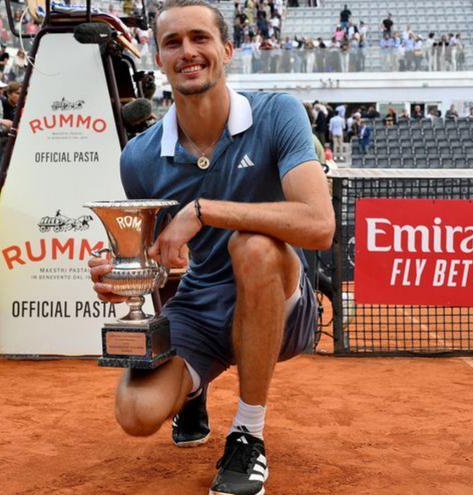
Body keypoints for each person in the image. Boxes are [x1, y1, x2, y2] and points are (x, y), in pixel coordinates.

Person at [87, 2, 333, 495]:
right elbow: (160, 258)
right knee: (136, 414)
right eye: (173, 42)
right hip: (201, 303)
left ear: (226, 49)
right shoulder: (138, 156)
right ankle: (193, 390)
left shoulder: (277, 112)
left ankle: (247, 434)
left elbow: (319, 224)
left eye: (200, 38)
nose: (188, 51)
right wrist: (118, 277)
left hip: (279, 296)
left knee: (255, 247)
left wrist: (203, 210)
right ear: (158, 57)